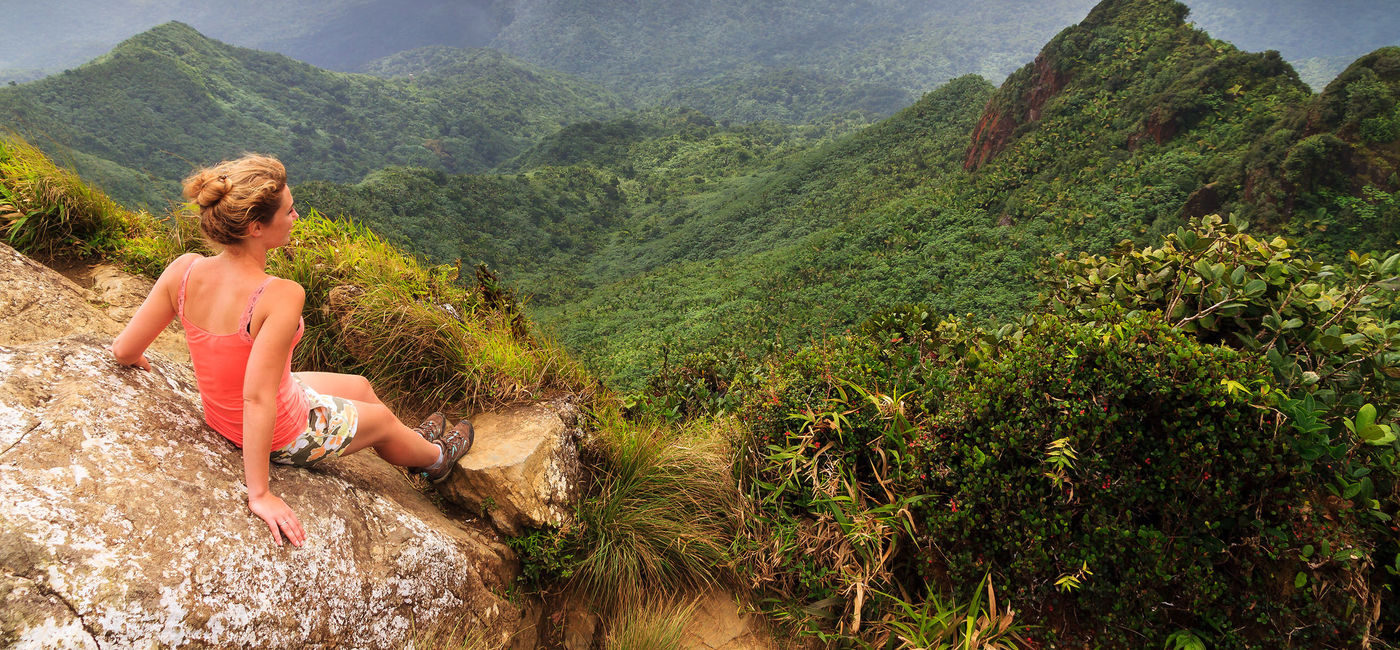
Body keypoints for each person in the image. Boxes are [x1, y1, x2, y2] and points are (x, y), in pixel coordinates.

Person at [110, 153, 473, 548]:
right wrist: (259, 494)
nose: (296, 216)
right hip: (282, 430)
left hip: (225, 414)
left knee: (361, 387)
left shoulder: (184, 270)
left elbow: (124, 349)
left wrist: (133, 359)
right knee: (382, 420)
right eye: (289, 210)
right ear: (255, 227)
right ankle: (435, 459)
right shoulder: (279, 295)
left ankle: (411, 442)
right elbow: (257, 397)